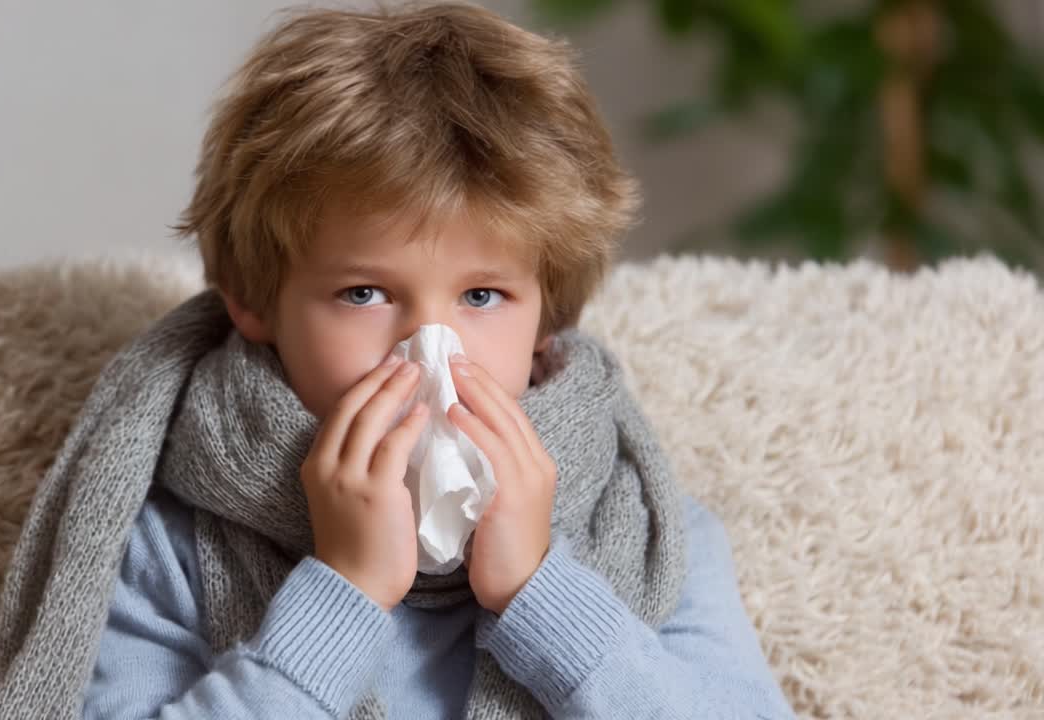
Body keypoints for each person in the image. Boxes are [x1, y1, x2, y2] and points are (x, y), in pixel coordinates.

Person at [77, 2, 795, 717]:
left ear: (548, 316)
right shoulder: (173, 540)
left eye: (481, 296)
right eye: (363, 293)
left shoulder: (652, 530)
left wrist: (540, 592)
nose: (428, 351)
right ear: (254, 303)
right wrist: (343, 591)